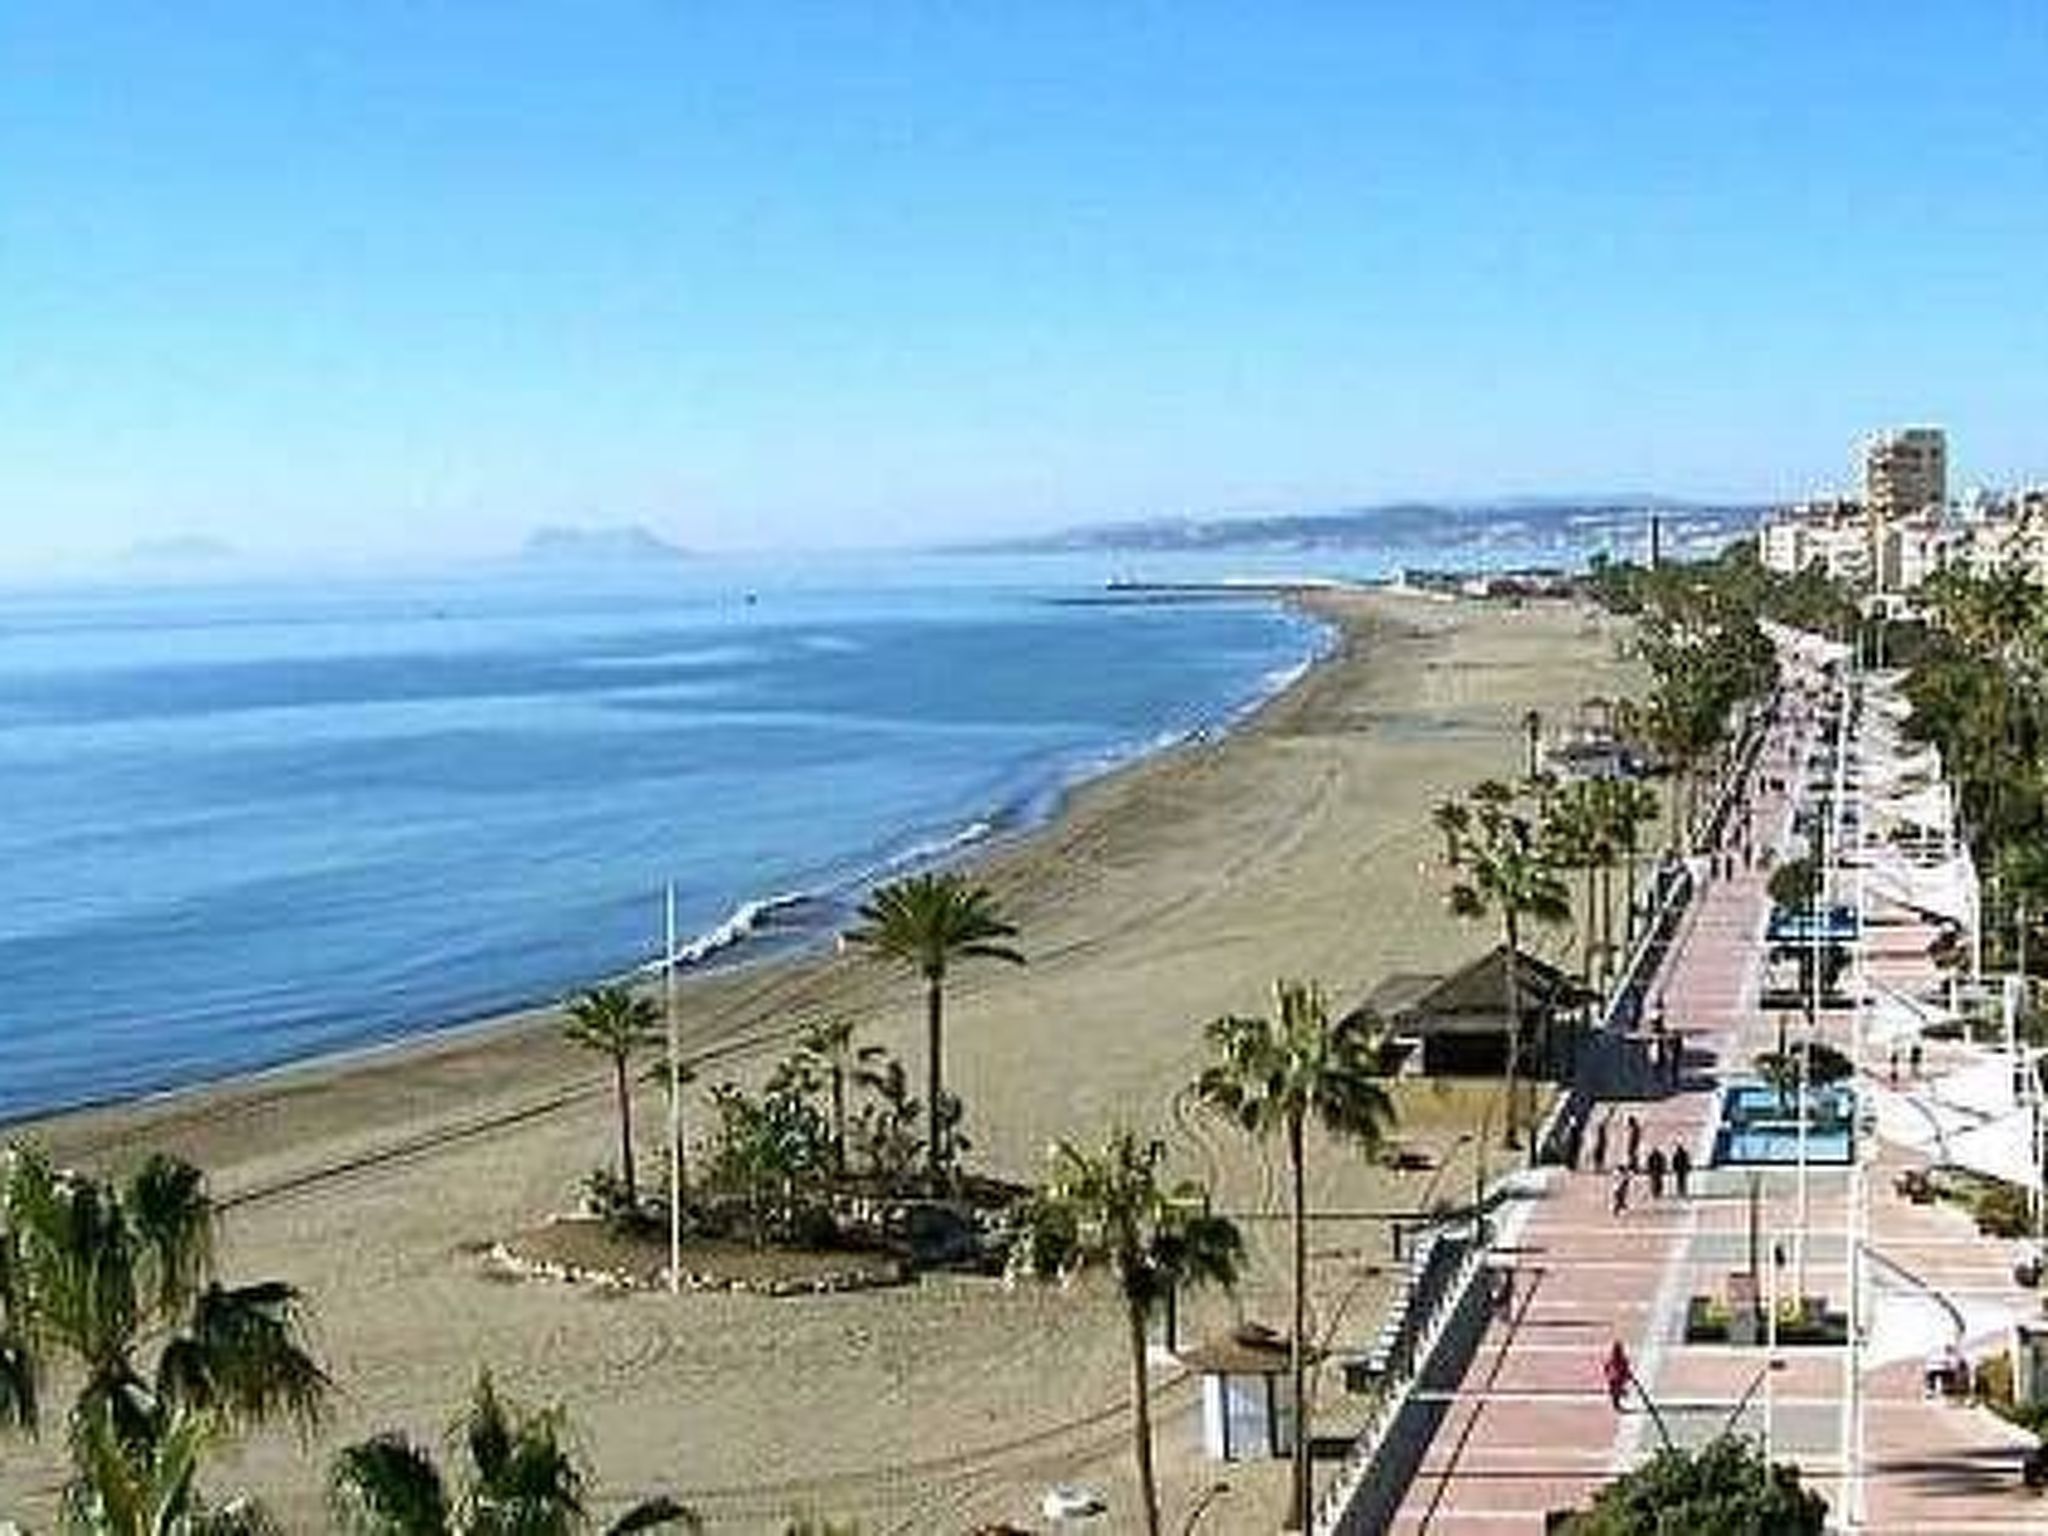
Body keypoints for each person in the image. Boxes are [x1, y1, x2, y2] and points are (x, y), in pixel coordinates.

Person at [1604, 1340, 1632, 1409]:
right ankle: (1618, 1398)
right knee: (1616, 1390)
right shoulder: (1614, 1358)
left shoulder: (1622, 1359)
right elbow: (1607, 1366)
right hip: (1615, 1378)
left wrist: (1627, 1374)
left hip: (1618, 1378)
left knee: (1617, 1389)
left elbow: (1626, 1366)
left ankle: (1619, 1396)